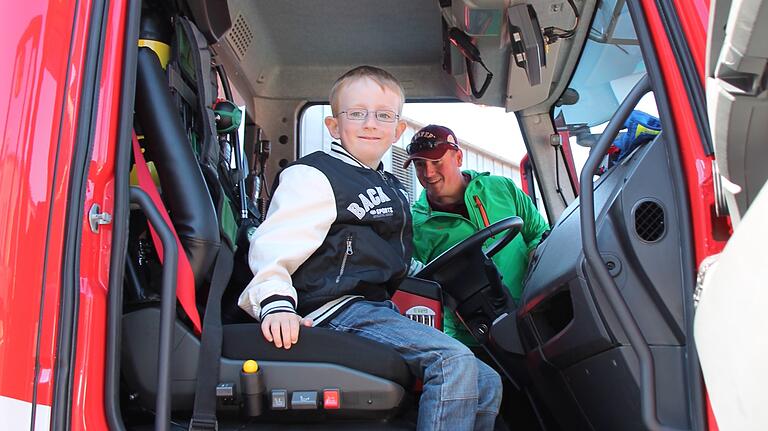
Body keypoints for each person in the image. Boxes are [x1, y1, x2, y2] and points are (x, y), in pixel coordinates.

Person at [238, 66, 502, 430]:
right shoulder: (316, 176)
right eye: (356, 113)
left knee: (486, 381)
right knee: (451, 361)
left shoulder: (389, 184)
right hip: (333, 310)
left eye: (383, 115)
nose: (370, 124)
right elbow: (275, 246)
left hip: (375, 308)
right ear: (333, 126)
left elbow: (392, 252)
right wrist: (275, 305)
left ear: (397, 130)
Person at [404, 124, 549, 347]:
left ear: (458, 157)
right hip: (477, 333)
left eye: (436, 162)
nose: (428, 173)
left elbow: (538, 234)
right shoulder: (416, 225)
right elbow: (426, 292)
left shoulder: (501, 188)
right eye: (420, 164)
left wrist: (537, 277)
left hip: (535, 306)